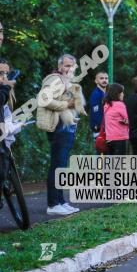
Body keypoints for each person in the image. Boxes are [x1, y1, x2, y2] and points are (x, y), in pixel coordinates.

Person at [36, 54, 86, 215]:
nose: (69, 69)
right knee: (57, 165)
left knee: (62, 165)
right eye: (66, 66)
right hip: (58, 128)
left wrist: (73, 114)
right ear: (59, 66)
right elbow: (43, 100)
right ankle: (53, 205)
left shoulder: (68, 81)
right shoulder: (54, 79)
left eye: (72, 66)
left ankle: (61, 202)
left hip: (66, 128)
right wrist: (67, 104)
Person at [102, 83, 129, 155]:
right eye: (122, 92)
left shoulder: (106, 104)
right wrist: (126, 122)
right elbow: (129, 119)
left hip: (109, 138)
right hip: (119, 138)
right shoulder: (119, 105)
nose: (123, 94)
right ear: (117, 94)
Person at [88, 71, 109, 143]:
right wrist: (99, 127)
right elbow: (95, 113)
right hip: (99, 129)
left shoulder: (105, 93)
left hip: (106, 128)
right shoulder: (96, 94)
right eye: (101, 78)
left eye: (106, 78)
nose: (104, 80)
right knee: (101, 151)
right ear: (96, 81)